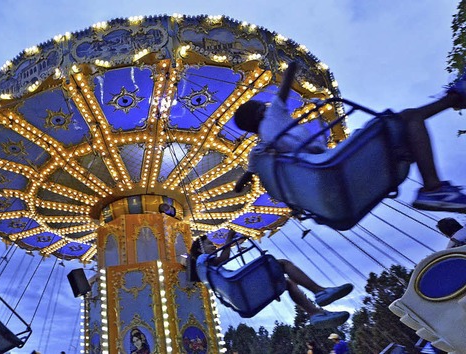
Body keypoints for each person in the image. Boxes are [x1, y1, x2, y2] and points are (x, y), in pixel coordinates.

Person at [233, 61, 466, 213]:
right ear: (260, 111)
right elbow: (285, 85)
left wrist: (244, 180)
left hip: (328, 181)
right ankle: (433, 185)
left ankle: (453, 100)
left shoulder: (262, 148)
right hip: (335, 164)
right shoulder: (273, 114)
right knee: (408, 118)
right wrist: (289, 64)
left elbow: (249, 171)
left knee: (407, 125)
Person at [189, 230, 353, 327]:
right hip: (239, 287)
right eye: (210, 243)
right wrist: (229, 239)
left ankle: (315, 313)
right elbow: (223, 257)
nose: (213, 246)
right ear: (200, 247)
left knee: (287, 282)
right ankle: (320, 291)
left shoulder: (206, 269)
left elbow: (223, 265)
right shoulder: (202, 259)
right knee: (281, 264)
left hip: (240, 295)